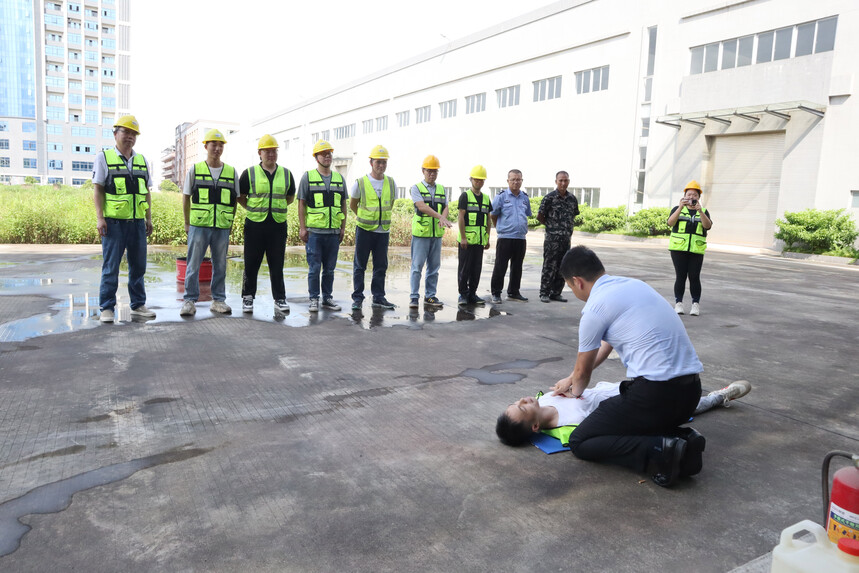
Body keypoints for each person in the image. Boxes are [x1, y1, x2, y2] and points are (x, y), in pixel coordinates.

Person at [548, 245, 705, 487]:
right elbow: (604, 346)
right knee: (622, 410)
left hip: (656, 397)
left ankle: (661, 451)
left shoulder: (594, 308)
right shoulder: (634, 286)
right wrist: (571, 377)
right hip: (690, 394)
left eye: (569, 286)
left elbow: (582, 376)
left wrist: (573, 391)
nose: (572, 291)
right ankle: (681, 438)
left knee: (581, 440)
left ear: (577, 281)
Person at [496, 380, 753, 469]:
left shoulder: (546, 398)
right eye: (521, 407)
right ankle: (720, 396)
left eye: (516, 401)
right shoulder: (571, 427)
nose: (523, 399)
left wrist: (570, 383)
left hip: (621, 386)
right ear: (535, 428)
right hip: (631, 405)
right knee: (687, 406)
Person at [92, 115, 156, 322]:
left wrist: (148, 218)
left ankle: (138, 305)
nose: (129, 136)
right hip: (114, 223)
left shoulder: (142, 160)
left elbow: (146, 191)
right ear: (115, 134)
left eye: (133, 133)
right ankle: (107, 308)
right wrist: (100, 218)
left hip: (137, 223)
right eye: (125, 132)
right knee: (111, 266)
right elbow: (98, 189)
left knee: (138, 266)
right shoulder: (104, 158)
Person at [180, 129, 238, 317]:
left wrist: (230, 223)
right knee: (193, 264)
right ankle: (189, 300)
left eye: (220, 145)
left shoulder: (231, 172)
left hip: (221, 226)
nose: (217, 148)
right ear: (206, 146)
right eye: (214, 144)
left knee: (220, 264)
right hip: (199, 226)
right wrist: (187, 223)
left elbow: (234, 200)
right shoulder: (195, 170)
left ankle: (218, 300)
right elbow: (186, 197)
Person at [237, 134, 296, 314]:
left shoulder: (286, 174)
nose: (271, 154)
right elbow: (240, 197)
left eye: (274, 151)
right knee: (251, 263)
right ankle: (248, 297)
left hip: (277, 225)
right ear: (260, 153)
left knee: (277, 263)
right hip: (255, 224)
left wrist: (274, 208)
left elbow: (290, 197)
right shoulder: (249, 173)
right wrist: (254, 208)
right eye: (267, 151)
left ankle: (280, 298)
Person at [297, 140, 347, 313]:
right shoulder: (308, 177)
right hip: (315, 233)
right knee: (315, 268)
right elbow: (301, 203)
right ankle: (313, 299)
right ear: (316, 157)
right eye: (323, 153)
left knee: (330, 269)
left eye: (329, 153)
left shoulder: (339, 178)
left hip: (333, 233)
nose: (327, 156)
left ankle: (327, 298)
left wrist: (342, 228)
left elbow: (343, 205)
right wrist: (303, 228)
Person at [349, 145, 397, 311]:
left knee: (380, 266)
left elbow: (390, 204)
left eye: (384, 162)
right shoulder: (361, 183)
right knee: (359, 265)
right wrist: (366, 217)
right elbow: (353, 204)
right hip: (364, 230)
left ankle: (378, 297)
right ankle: (357, 298)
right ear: (371, 162)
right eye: (378, 162)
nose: (381, 165)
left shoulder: (391, 183)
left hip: (382, 231)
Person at [409, 154, 453, 309]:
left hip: (436, 235)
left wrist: (444, 218)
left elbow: (446, 206)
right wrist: (441, 217)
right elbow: (422, 206)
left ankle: (430, 296)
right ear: (423, 170)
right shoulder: (416, 188)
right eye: (429, 171)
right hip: (421, 234)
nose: (432, 174)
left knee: (434, 268)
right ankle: (414, 297)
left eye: (435, 171)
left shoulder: (441, 189)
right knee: (417, 267)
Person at [667, 180, 713, 316]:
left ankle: (695, 304)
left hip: (696, 250)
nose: (691, 197)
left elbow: (707, 226)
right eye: (689, 194)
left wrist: (700, 211)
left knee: (694, 277)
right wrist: (680, 207)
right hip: (678, 250)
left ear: (699, 197)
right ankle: (678, 303)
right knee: (680, 276)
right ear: (684, 196)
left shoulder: (704, 211)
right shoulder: (677, 209)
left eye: (694, 195)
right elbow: (670, 223)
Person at [490, 169, 532, 304]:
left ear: (522, 181)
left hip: (520, 238)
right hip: (505, 238)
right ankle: (496, 293)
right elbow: (493, 215)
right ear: (508, 181)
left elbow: (527, 214)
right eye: (513, 179)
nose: (516, 182)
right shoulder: (501, 197)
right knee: (500, 266)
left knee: (517, 267)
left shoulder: (525, 197)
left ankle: (514, 292)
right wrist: (501, 229)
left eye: (518, 179)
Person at [537, 171, 579, 304]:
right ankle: (544, 292)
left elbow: (574, 215)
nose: (563, 183)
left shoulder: (572, 199)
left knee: (563, 267)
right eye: (560, 180)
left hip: (566, 240)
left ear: (569, 182)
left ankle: (556, 293)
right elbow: (540, 216)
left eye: (565, 180)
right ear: (556, 182)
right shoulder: (549, 198)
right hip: (552, 240)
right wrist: (552, 227)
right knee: (549, 266)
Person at [457, 165, 492, 306]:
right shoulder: (465, 196)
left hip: (479, 241)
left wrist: (488, 238)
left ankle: (472, 294)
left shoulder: (485, 198)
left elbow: (488, 220)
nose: (478, 182)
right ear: (471, 180)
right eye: (476, 179)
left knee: (476, 269)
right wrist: (463, 237)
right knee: (464, 268)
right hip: (467, 241)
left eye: (481, 180)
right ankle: (463, 295)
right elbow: (461, 217)